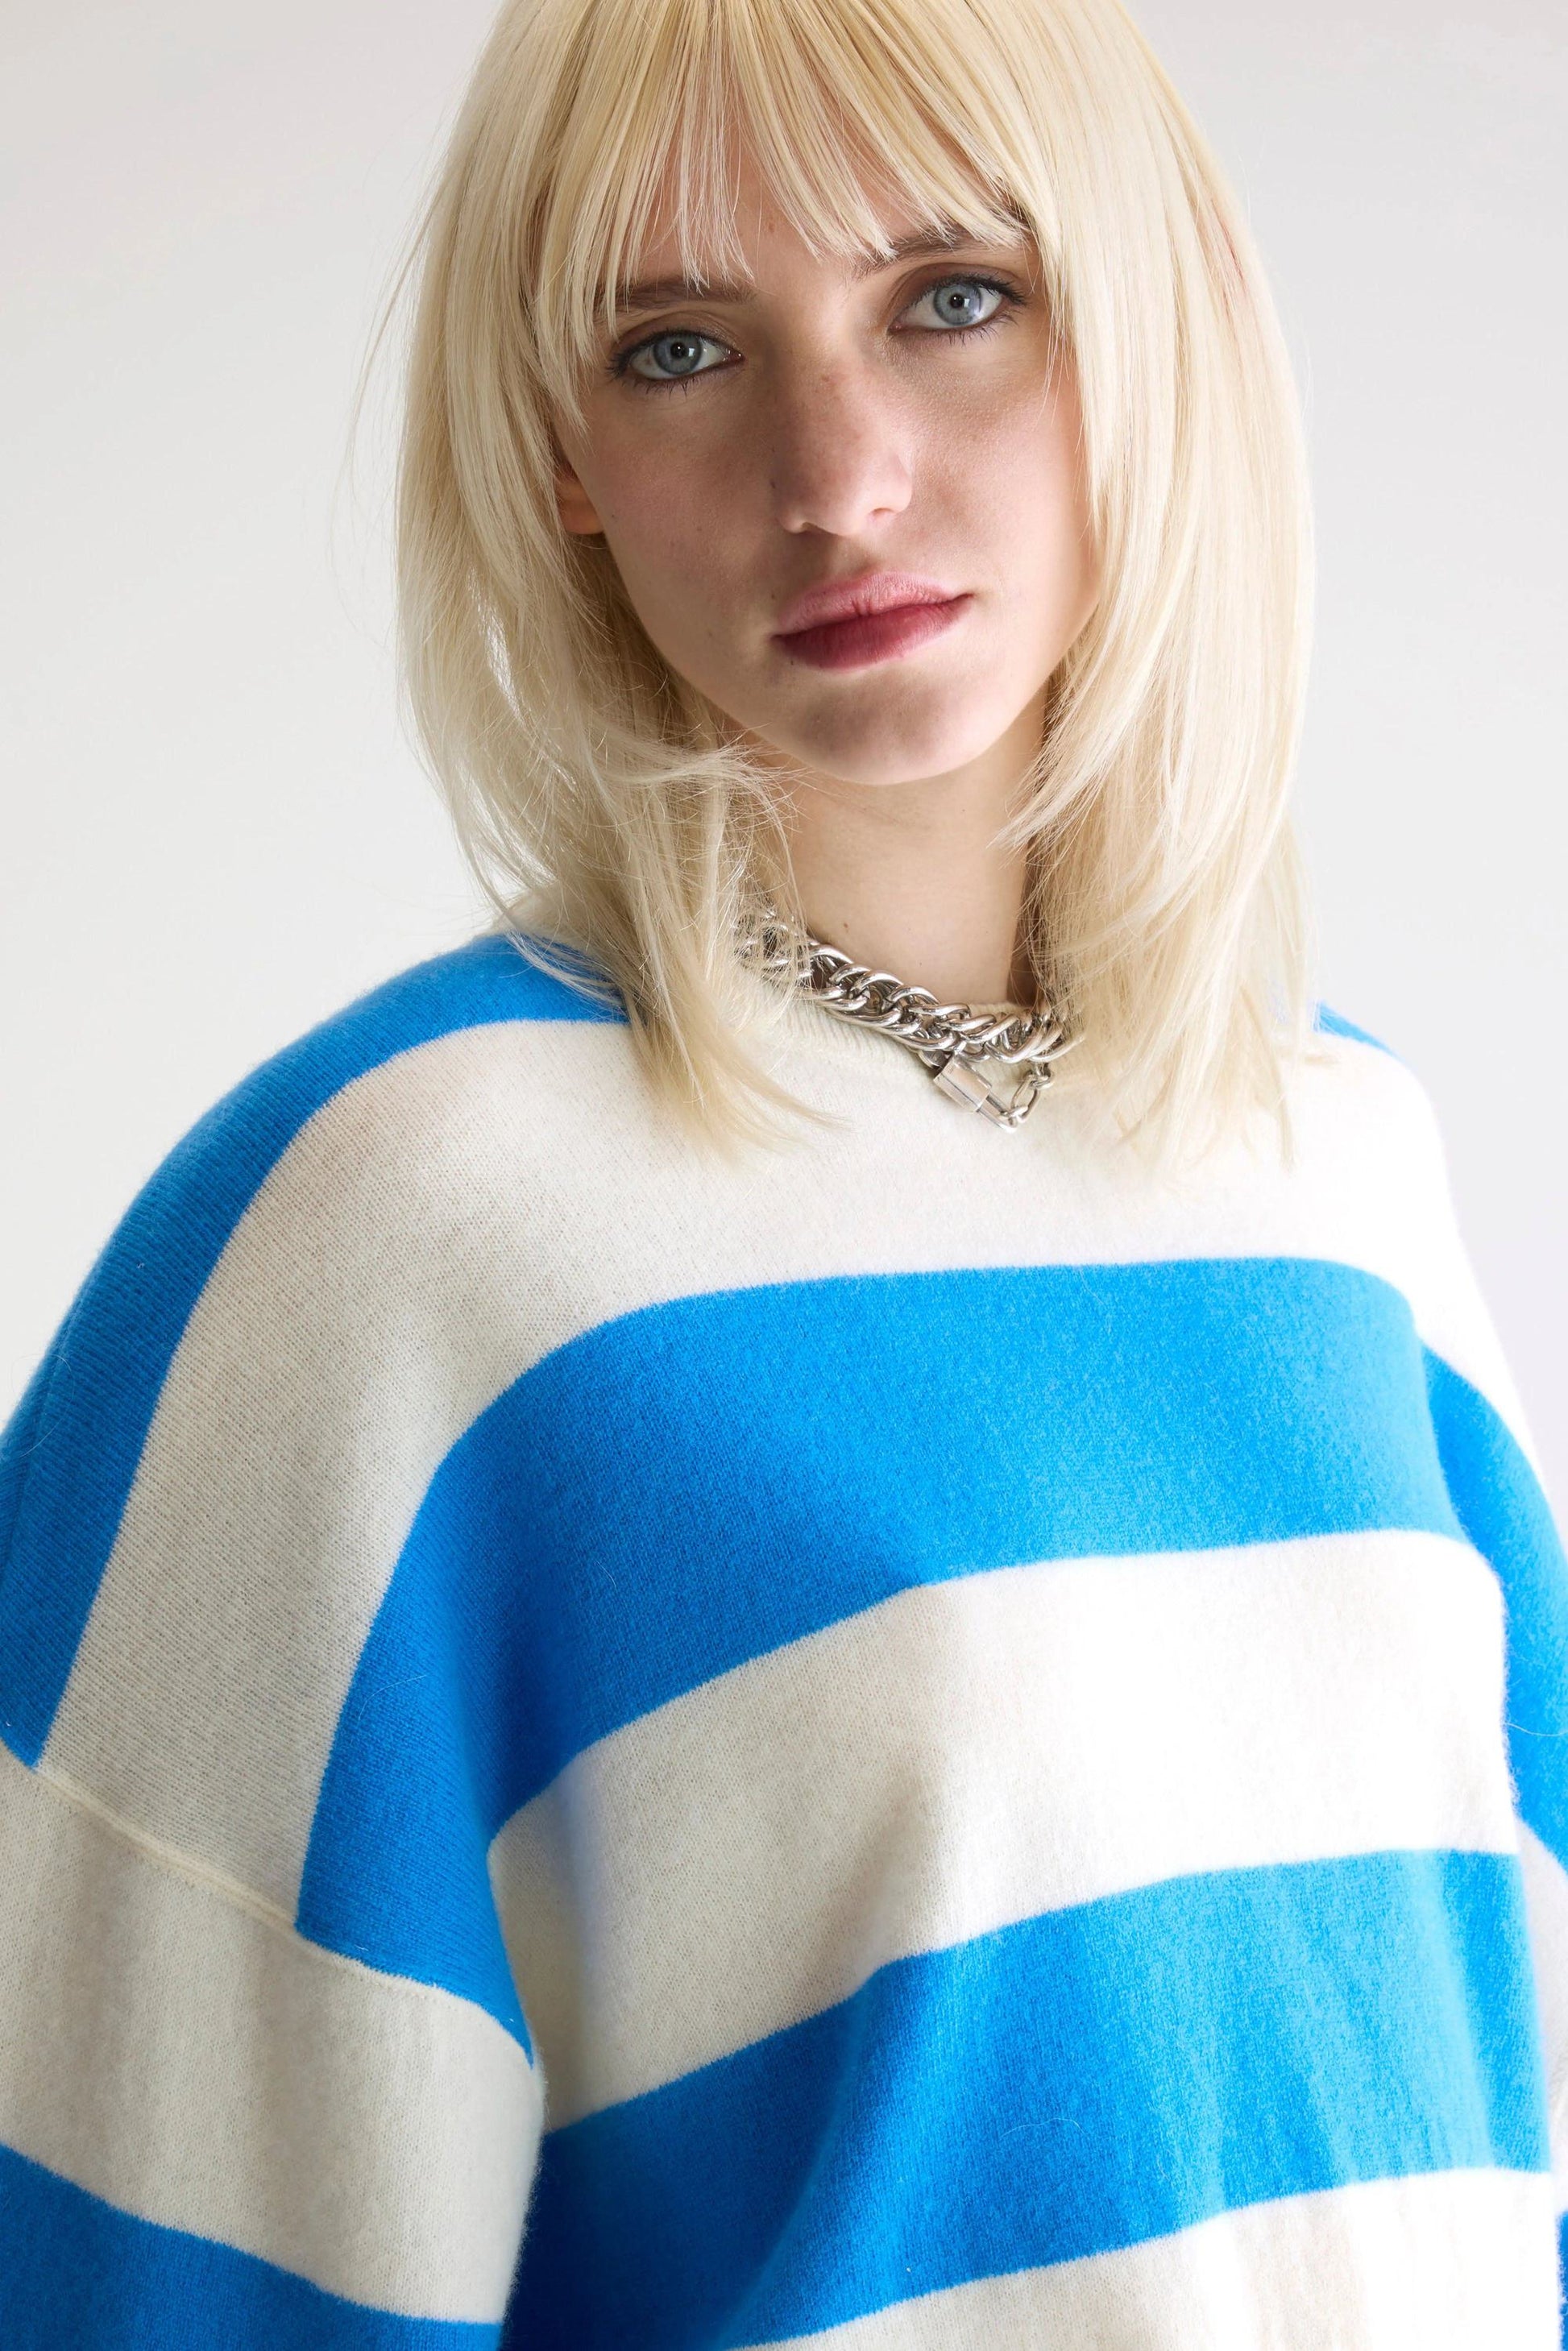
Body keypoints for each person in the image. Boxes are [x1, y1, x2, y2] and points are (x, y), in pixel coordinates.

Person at [1, 0, 1564, 2340]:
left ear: (1157, 322)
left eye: (955, 298)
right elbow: (143, 2256)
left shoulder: (1332, 1164)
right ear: (560, 455)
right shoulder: (400, 1228)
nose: (836, 477)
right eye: (676, 348)